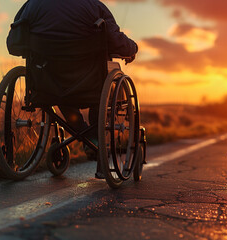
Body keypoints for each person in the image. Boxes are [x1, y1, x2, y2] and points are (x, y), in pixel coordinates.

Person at [8, 0, 138, 178]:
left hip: (49, 83)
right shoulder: (94, 7)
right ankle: (94, 137)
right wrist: (133, 48)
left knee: (59, 91)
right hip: (90, 83)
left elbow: (13, 42)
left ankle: (87, 135)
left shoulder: (32, 5)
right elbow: (117, 42)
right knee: (103, 86)